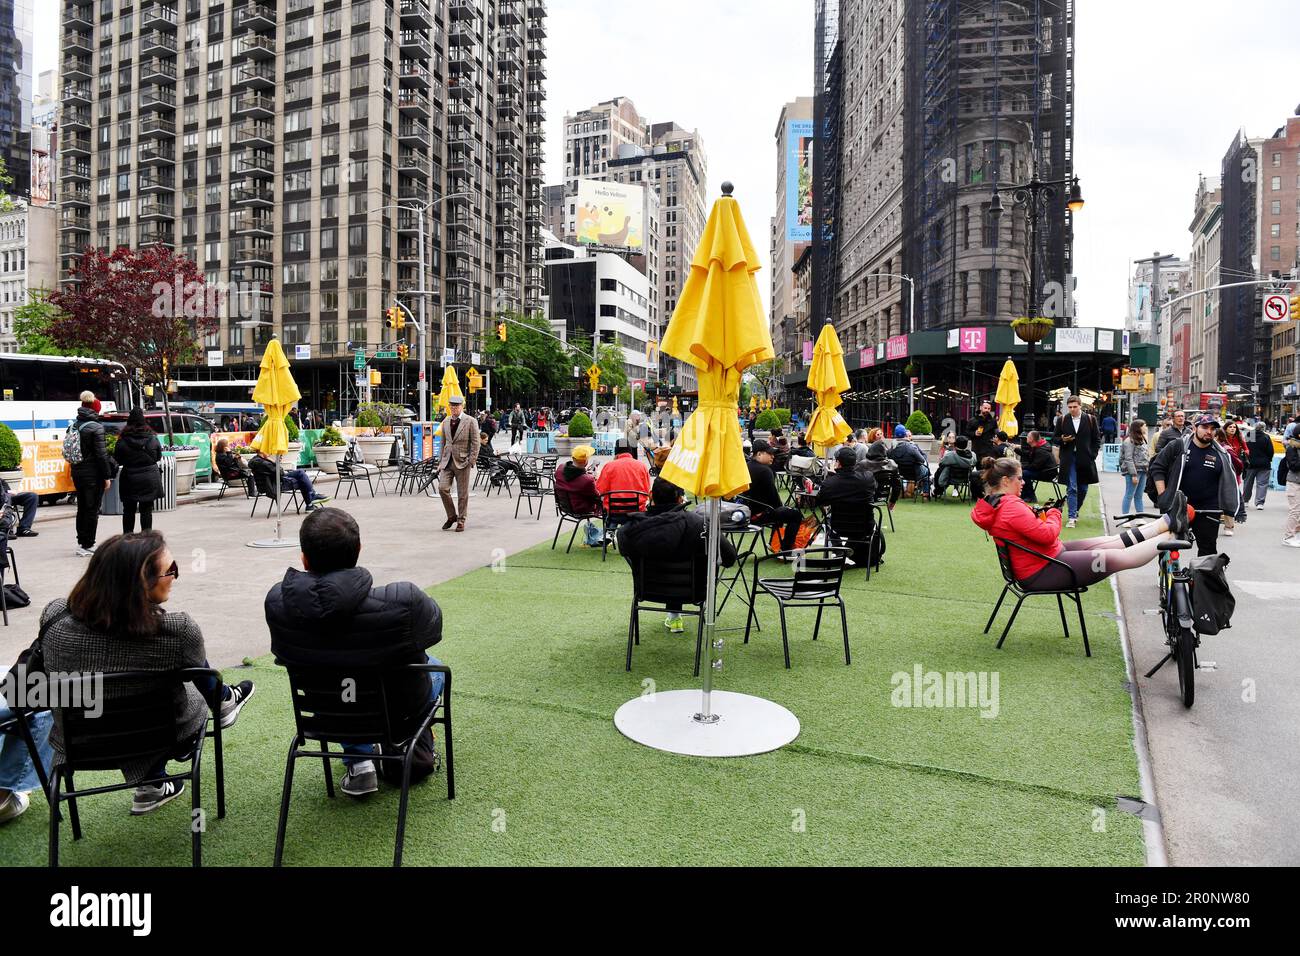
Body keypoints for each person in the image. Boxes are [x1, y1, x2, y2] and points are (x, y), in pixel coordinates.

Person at [37, 532, 255, 813]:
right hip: (161, 735)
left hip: (78, 742)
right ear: (142, 582)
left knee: (136, 693)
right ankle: (222, 701)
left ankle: (155, 781)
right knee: (180, 684)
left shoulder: (53, 616)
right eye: (171, 570)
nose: (176, 576)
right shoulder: (177, 631)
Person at [264, 508, 446, 796]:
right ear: (358, 550)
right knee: (435, 668)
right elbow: (434, 629)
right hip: (395, 712)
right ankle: (406, 748)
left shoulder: (277, 603)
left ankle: (360, 763)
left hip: (326, 714)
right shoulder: (404, 600)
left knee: (339, 680)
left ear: (304, 558)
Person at [971, 457, 1190, 593]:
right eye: (1020, 478)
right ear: (1007, 480)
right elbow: (1047, 535)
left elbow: (1035, 533)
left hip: (1046, 559)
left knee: (1106, 543)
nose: (1024, 481)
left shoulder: (998, 505)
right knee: (1118, 558)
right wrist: (1055, 513)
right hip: (1044, 568)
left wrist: (1043, 515)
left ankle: (1165, 524)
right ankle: (1170, 536)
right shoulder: (1010, 507)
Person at [617, 478, 737, 633]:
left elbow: (625, 552)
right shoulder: (700, 524)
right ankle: (674, 615)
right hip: (694, 591)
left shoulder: (629, 529)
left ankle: (674, 615)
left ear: (650, 495)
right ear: (681, 499)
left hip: (648, 589)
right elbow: (729, 558)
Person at [1148, 414, 1242, 556]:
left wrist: (1231, 508)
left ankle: (1201, 578)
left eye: (1212, 429)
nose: (1209, 431)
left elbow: (1230, 482)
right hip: (1178, 507)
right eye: (1204, 427)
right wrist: (1163, 495)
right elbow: (1157, 468)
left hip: (1209, 511)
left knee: (1208, 554)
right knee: (1168, 548)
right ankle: (1168, 573)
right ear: (1194, 427)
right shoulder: (1178, 446)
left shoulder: (1222, 454)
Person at [68, 391, 113, 557]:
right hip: (93, 475)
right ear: (96, 409)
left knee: (82, 508)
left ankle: (82, 541)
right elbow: (101, 455)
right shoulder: (96, 427)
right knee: (92, 509)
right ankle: (87, 544)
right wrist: (107, 476)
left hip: (77, 472)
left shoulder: (74, 425)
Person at [817, 446, 879, 565]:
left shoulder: (830, 483)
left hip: (839, 526)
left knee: (827, 521)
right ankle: (845, 550)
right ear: (855, 462)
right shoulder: (868, 478)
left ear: (838, 463)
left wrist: (831, 476)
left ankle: (840, 550)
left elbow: (821, 501)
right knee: (860, 526)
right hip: (865, 526)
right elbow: (873, 491)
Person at [112, 407, 163, 535]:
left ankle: (127, 537)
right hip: (149, 478)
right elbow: (158, 457)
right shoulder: (152, 438)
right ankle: (146, 538)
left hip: (129, 478)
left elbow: (118, 459)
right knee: (146, 510)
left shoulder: (122, 441)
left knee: (128, 510)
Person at [744, 439, 803, 550]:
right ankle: (786, 548)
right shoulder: (765, 471)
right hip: (759, 515)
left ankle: (773, 542)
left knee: (780, 510)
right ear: (759, 454)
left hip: (746, 513)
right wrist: (783, 508)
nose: (773, 456)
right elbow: (774, 498)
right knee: (795, 515)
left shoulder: (746, 466)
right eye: (769, 453)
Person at [1053, 395, 1100, 528]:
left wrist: (1093, 455)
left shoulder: (1091, 419)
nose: (1072, 409)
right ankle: (1072, 517)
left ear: (1080, 406)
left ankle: (1076, 510)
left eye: (1075, 407)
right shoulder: (1062, 420)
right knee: (1072, 487)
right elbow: (1054, 438)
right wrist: (1063, 439)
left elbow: (1096, 439)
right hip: (1069, 458)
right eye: (1070, 407)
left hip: (1085, 458)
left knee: (1083, 488)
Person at [436, 394, 480, 532]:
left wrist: (471, 460)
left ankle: (461, 520)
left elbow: (476, 443)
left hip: (463, 462)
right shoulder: (446, 421)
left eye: (456, 406)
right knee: (442, 489)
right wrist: (440, 461)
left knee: (462, 494)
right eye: (452, 406)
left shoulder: (471, 421)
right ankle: (451, 516)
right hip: (447, 461)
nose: (454, 408)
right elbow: (443, 442)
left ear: (462, 406)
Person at [250, 449, 331, 511]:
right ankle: (311, 499)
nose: (270, 452)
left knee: (301, 475)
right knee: (302, 477)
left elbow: (276, 472)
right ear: (262, 450)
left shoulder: (256, 460)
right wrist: (273, 461)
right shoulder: (264, 463)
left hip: (273, 482)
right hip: (275, 484)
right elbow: (280, 472)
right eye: (267, 450)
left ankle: (310, 502)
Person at [596, 442, 651, 507]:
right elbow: (647, 490)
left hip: (613, 511)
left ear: (616, 453)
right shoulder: (642, 466)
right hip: (637, 510)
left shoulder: (609, 466)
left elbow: (600, 490)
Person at [555, 445, 602, 520]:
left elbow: (573, 479)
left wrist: (586, 473)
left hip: (565, 507)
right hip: (581, 509)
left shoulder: (560, 469)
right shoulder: (587, 480)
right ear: (585, 461)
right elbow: (597, 496)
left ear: (573, 458)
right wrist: (596, 478)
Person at [1218, 421, 1248, 534]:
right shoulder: (1222, 440)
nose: (1232, 429)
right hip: (1224, 471)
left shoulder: (1239, 438)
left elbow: (1246, 450)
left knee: (1231, 495)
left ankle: (1229, 524)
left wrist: (1243, 454)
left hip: (1234, 471)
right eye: (1230, 427)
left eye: (1234, 427)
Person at [1118, 419, 1150, 516]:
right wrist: (1133, 474)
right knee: (1129, 494)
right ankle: (1125, 516)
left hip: (1143, 470)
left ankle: (1140, 516)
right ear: (1138, 427)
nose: (1146, 428)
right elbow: (1128, 458)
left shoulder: (1143, 439)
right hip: (1133, 471)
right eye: (1144, 425)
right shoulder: (1129, 441)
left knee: (1139, 495)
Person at [1242, 421, 1277, 512]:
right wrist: (1268, 459)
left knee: (1248, 483)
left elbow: (1246, 449)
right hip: (1264, 464)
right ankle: (1260, 503)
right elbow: (1270, 451)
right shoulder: (1266, 437)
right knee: (1262, 484)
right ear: (1263, 428)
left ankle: (1245, 501)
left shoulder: (1250, 435)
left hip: (1250, 464)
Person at [1015, 430, 1058, 504]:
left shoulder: (1041, 450)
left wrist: (1020, 467)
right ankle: (1024, 495)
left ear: (1031, 439)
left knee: (1025, 473)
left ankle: (1031, 497)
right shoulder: (1039, 446)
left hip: (1048, 473)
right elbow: (1029, 455)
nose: (1026, 438)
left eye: (1028, 437)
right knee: (1024, 472)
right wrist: (1015, 449)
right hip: (1043, 470)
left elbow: (1035, 466)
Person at [861, 434, 902, 508]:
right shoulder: (892, 464)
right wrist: (893, 501)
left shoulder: (863, 464)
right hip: (883, 497)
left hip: (864, 497)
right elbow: (897, 486)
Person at [887, 429, 931, 497]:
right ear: (905, 436)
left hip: (900, 473)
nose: (908, 437)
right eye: (907, 435)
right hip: (914, 473)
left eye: (910, 435)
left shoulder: (891, 450)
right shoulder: (912, 448)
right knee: (927, 471)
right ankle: (926, 493)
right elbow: (922, 460)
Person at [1282, 433, 1300, 548]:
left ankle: (1296, 535)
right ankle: (1288, 537)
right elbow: (1293, 466)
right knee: (1295, 511)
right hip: (1294, 483)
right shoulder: (1291, 448)